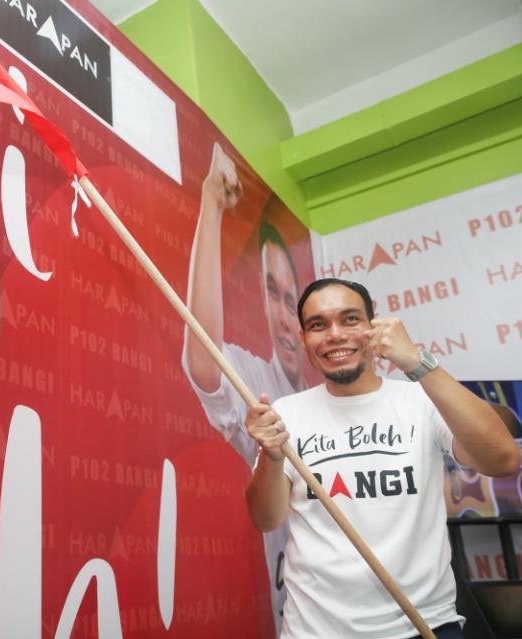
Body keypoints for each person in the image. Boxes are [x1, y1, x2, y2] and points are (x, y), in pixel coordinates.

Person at [245, 278, 521, 639]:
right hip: (314, 631)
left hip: (426, 625)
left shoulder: (421, 401)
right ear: (303, 339)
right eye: (318, 325)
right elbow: (265, 519)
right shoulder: (287, 412)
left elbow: (502, 460)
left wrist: (418, 363)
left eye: (350, 319)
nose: (334, 334)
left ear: (374, 328)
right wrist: (272, 457)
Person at [182, 142, 305, 630]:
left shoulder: (342, 398)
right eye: (270, 294)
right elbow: (205, 361)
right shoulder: (262, 389)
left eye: (291, 299)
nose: (282, 315)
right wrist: (211, 207)